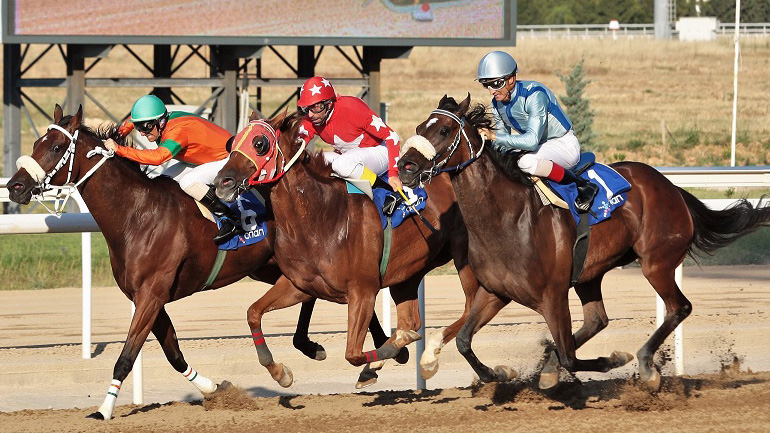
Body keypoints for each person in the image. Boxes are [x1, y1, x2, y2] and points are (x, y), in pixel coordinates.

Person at [104, 94, 240, 241]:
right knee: (164, 181)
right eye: (139, 128)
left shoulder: (177, 131)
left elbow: (158, 158)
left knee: (188, 182)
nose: (142, 133)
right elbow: (132, 119)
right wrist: (119, 133)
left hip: (228, 159)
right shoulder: (160, 121)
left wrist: (119, 149)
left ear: (160, 122)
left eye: (146, 127)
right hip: (204, 159)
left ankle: (229, 218)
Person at [476, 51, 598, 212]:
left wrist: (494, 136)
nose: (491, 91)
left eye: (496, 84)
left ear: (511, 79)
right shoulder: (496, 104)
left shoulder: (535, 94)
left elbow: (531, 141)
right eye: (487, 85)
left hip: (563, 144)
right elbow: (502, 143)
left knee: (525, 163)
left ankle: (583, 185)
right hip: (539, 148)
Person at [295, 76, 403, 192]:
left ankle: (385, 189)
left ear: (329, 104)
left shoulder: (352, 108)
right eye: (307, 108)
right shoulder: (312, 119)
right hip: (350, 157)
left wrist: (393, 174)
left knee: (342, 164)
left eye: (316, 107)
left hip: (379, 152)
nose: (311, 115)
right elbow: (295, 146)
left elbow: (392, 136)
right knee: (313, 162)